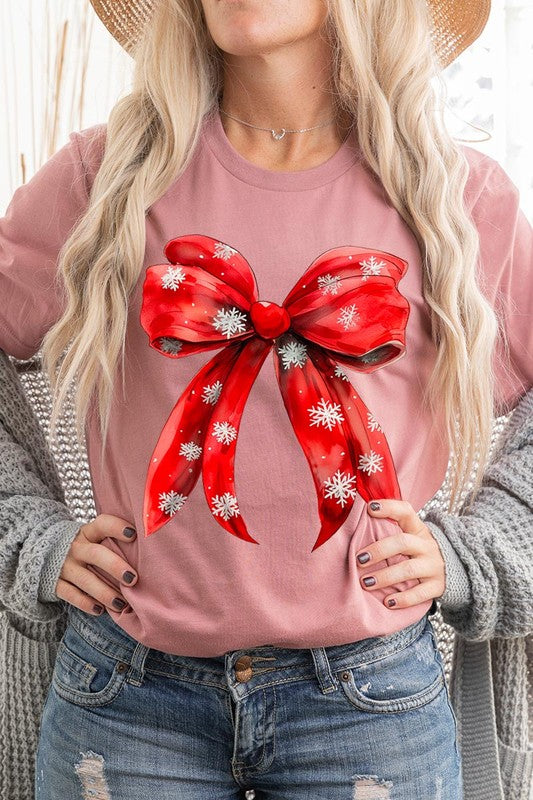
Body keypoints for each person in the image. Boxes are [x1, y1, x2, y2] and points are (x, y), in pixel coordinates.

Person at [0, 0, 531, 797]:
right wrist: (26, 532)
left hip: (370, 702)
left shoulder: (452, 197)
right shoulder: (104, 179)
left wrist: (475, 551)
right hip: (126, 696)